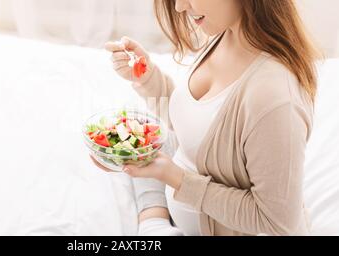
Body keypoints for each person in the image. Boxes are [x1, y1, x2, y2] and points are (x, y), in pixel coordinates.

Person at [96, 0, 320, 236]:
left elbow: (275, 222)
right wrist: (147, 79)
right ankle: (153, 221)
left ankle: (152, 220)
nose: (179, 7)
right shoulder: (224, 32)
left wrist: (175, 177)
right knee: (137, 127)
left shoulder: (275, 98)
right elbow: (196, 124)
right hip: (188, 194)